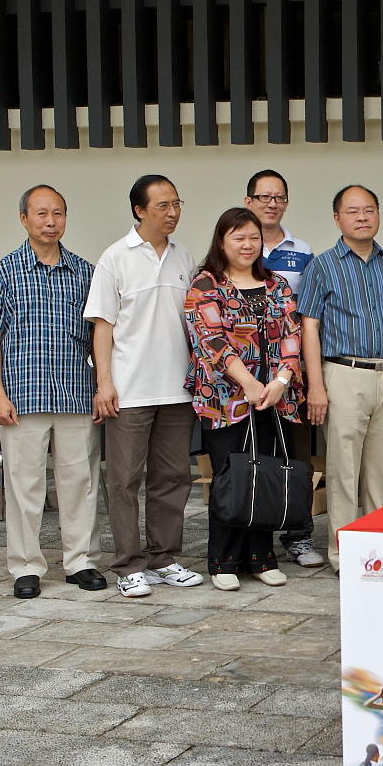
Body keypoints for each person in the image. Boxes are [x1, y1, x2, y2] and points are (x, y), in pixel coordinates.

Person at [0, 185, 105, 600]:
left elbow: (99, 337)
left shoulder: (85, 272)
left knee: (81, 483)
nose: (51, 221)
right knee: (23, 486)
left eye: (58, 213)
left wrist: (103, 385)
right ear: (23, 219)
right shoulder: (2, 272)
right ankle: (26, 566)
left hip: (75, 394)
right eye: (41, 213)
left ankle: (81, 561)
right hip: (22, 396)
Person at [84, 174, 204, 598]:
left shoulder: (184, 257)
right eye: (162, 206)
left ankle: (164, 558)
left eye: (177, 204)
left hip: (177, 389)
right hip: (130, 390)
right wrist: (104, 383)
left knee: (172, 478)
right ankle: (128, 565)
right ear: (139, 210)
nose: (172, 213)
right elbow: (102, 327)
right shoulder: (115, 258)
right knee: (124, 481)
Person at [183, 207, 304, 591]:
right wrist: (249, 383)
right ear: (222, 241)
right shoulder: (205, 285)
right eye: (239, 237)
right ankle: (224, 562)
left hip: (272, 398)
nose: (247, 244)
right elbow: (211, 341)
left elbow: (292, 333)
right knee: (231, 478)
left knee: (265, 475)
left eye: (254, 237)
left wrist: (281, 381)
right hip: (224, 400)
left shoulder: (276, 284)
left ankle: (262, 558)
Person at [302, 186, 383, 552]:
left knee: (382, 472)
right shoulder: (322, 266)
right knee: (343, 471)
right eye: (352, 211)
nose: (362, 217)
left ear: (379, 215)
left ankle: (378, 552)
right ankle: (345, 554)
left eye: (369, 210)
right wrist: (316, 385)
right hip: (343, 375)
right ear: (337, 218)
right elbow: (309, 326)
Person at [244, 169, 323, 569]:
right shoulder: (237, 246)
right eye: (264, 197)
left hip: (292, 372)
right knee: (252, 455)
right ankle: (253, 535)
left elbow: (308, 316)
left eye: (279, 197)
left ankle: (299, 535)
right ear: (249, 202)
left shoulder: (302, 251)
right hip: (244, 374)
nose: (272, 204)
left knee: (297, 454)